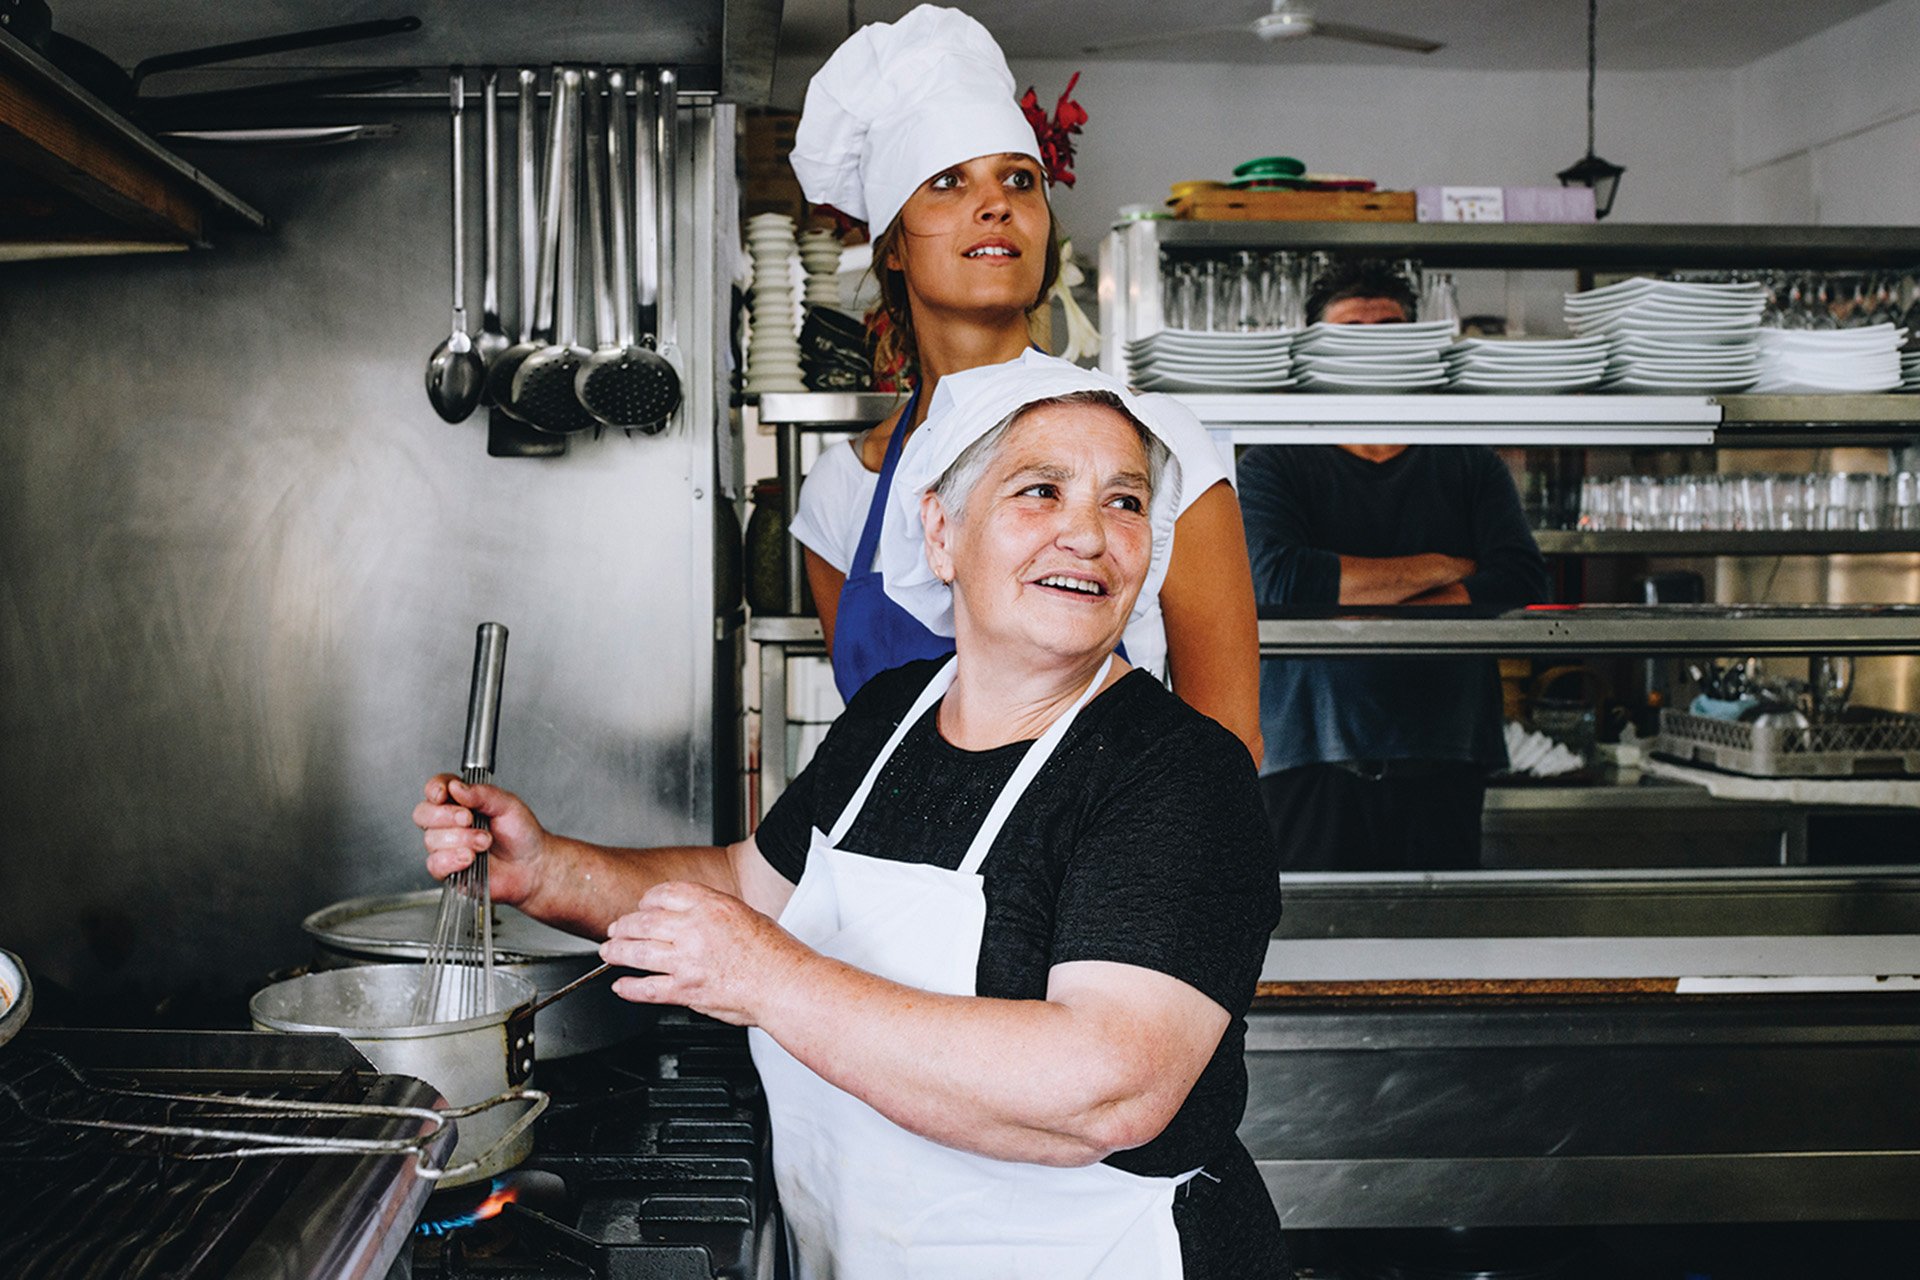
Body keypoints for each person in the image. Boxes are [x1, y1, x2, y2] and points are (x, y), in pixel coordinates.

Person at [417, 359, 1285, 1279]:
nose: (1089, 534)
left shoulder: (1180, 774)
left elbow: (1109, 1087)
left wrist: (770, 979)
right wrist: (547, 870)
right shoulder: (893, 716)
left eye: (1126, 502)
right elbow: (750, 887)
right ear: (943, 533)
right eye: (1041, 491)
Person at [784, 4, 1262, 759]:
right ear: (895, 247)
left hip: (1104, 873)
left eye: (1019, 179)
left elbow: (1231, 750)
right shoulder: (842, 494)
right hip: (897, 877)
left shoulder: (1159, 446)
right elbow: (867, 756)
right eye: (946, 181)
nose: (995, 203)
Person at [1240, 260, 1553, 871]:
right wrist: (1447, 564)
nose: (1371, 350)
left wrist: (1361, 596)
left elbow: (1518, 574)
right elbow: (1279, 581)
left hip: (1445, 752)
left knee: (1439, 955)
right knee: (1310, 956)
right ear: (1316, 354)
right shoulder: (1273, 462)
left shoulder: (1468, 462)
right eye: (1349, 335)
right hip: (1307, 755)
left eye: (1389, 333)